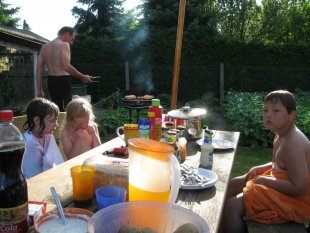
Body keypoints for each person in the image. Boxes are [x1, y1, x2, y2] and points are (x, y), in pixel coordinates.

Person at [221, 90, 310, 233]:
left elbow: (299, 187)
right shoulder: (281, 135)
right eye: (265, 110)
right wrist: (259, 168)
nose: (268, 114)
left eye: (276, 111)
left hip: (296, 200)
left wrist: (265, 180)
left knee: (233, 206)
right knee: (232, 185)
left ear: (291, 115)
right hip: (282, 182)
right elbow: (279, 165)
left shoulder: (293, 144)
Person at [36, 26, 92, 111]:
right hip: (62, 81)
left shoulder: (44, 47)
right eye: (72, 39)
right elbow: (66, 66)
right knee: (66, 111)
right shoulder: (64, 44)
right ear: (66, 34)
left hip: (51, 81)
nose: (71, 42)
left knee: (55, 109)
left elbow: (38, 70)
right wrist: (82, 76)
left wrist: (39, 90)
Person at [22, 98, 64, 179]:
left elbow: (58, 162)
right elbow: (33, 176)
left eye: (56, 120)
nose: (56, 125)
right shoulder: (29, 143)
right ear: (37, 120)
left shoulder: (48, 136)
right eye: (52, 121)